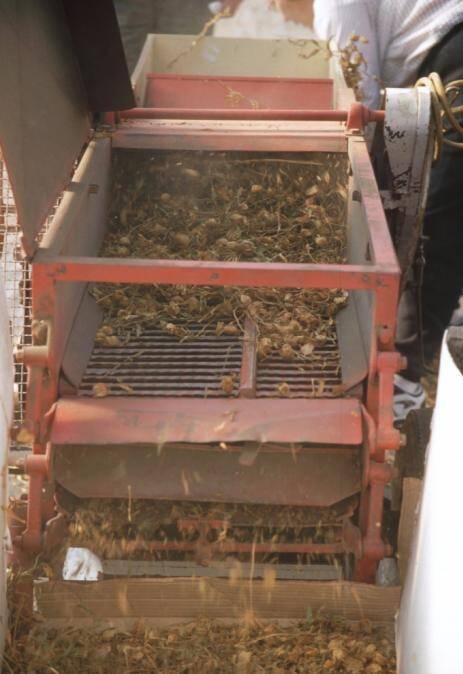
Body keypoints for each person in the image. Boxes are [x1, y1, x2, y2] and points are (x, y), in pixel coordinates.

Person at [310, 0, 463, 422]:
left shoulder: (332, 4)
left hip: (456, 61)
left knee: (437, 227)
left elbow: (360, 97)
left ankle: (404, 383)